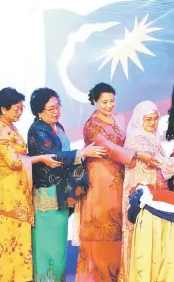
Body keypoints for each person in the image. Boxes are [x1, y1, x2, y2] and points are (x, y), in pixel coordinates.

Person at [76, 83, 157, 282]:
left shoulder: (115, 118)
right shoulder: (92, 125)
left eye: (112, 101)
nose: (109, 105)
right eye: (104, 102)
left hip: (118, 179)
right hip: (100, 182)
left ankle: (114, 275)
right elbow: (110, 148)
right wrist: (139, 155)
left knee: (116, 230)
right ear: (94, 102)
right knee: (101, 229)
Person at [28, 87, 105, 281]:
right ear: (38, 110)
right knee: (47, 248)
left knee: (59, 248)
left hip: (61, 194)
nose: (56, 111)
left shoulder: (58, 127)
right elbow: (53, 158)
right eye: (50, 108)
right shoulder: (37, 130)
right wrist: (82, 153)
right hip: (47, 195)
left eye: (57, 106)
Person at [119, 100, 174, 282]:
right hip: (140, 193)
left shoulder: (153, 138)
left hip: (156, 190)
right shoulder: (136, 138)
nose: (152, 123)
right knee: (140, 233)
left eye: (155, 119)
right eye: (148, 119)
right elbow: (155, 161)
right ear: (138, 120)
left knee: (156, 235)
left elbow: (161, 161)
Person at [0, 87, 60, 281]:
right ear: (3, 108)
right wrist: (40, 157)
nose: (20, 111)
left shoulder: (10, 126)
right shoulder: (1, 130)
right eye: (16, 108)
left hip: (19, 191)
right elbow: (14, 161)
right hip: (8, 195)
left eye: (21, 107)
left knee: (20, 241)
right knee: (9, 241)